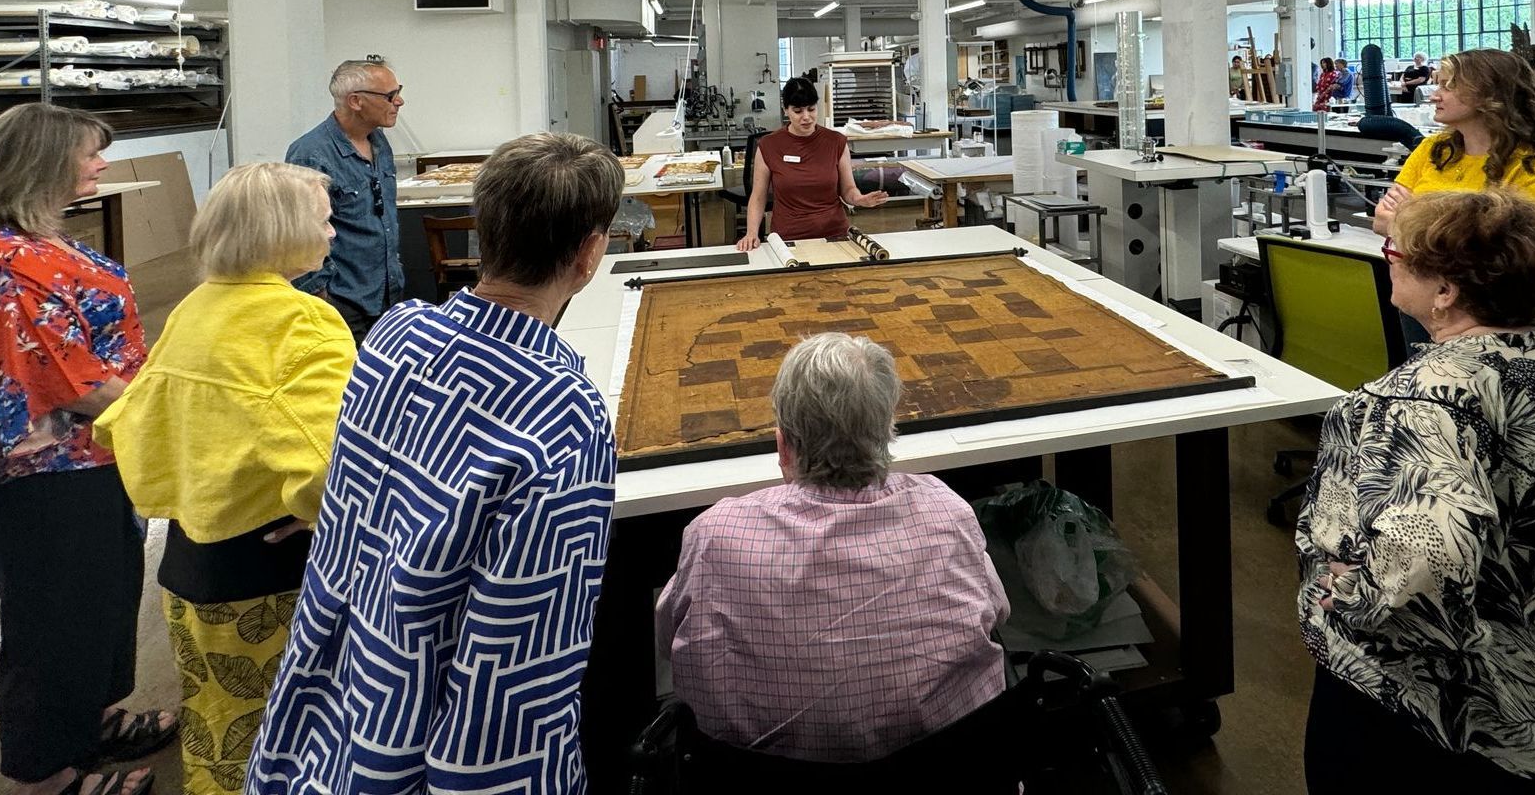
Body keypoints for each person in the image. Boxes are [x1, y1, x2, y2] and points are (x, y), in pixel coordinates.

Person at [247, 133, 624, 795]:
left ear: (486, 228)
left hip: (319, 728)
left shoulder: (395, 335)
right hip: (412, 759)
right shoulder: (563, 413)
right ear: (590, 254)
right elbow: (513, 680)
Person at [1298, 189, 1535, 793]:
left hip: (1454, 716)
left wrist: (1337, 603)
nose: (1388, 258)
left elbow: (1418, 570)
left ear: (1445, 291)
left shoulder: (1412, 406)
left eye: (1397, 252)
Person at [0, 105, 171, 795]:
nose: (102, 165)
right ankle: (48, 773)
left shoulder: (30, 239)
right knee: (53, 617)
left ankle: (88, 721)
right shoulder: (2, 261)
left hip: (78, 459)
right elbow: (58, 379)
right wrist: (177, 412)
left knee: (100, 595)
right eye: (91, 153)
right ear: (43, 161)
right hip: (26, 472)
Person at [94, 162, 355, 795]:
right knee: (295, 734)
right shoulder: (302, 321)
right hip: (274, 569)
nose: (333, 235)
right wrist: (328, 511)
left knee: (218, 729)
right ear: (284, 232)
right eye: (324, 221)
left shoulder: (195, 308)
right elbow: (329, 462)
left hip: (192, 562)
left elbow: (126, 422)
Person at [656, 332, 1008, 761]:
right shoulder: (947, 511)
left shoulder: (714, 536)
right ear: (887, 430)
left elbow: (669, 642)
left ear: (783, 444)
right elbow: (996, 612)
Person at [1373, 47, 1535, 236]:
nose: (1434, 96)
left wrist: (1411, 217)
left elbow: (1517, 250)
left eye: (1447, 86)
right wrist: (1466, 229)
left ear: (1490, 94)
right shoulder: (1432, 150)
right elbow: (1381, 221)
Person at [286, 57, 405, 343]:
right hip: (342, 301)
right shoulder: (310, 155)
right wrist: (321, 296)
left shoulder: (378, 142)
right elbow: (301, 235)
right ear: (355, 101)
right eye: (391, 95)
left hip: (386, 294)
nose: (399, 101)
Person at [736, 76, 888, 251]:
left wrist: (860, 200)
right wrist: (751, 233)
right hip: (788, 240)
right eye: (798, 111)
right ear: (786, 110)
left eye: (811, 109)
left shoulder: (836, 142)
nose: (806, 117)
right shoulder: (769, 145)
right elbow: (758, 195)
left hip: (835, 236)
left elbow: (848, 190)